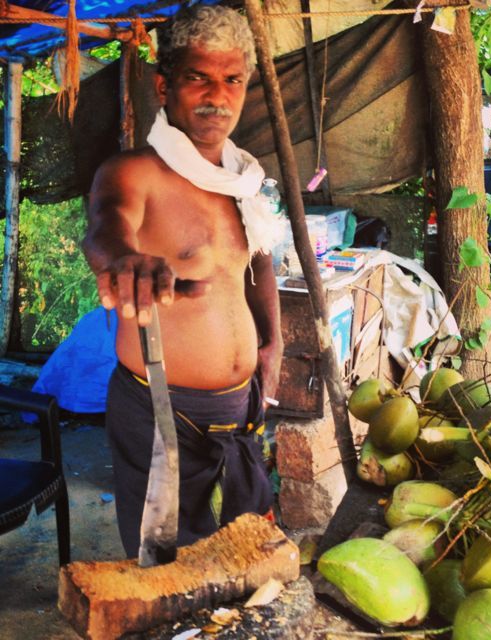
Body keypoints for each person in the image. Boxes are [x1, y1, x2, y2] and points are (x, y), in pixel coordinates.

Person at [82, 4, 283, 558]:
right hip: (162, 410)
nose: (218, 96)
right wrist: (123, 259)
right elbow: (106, 227)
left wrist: (272, 340)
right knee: (167, 571)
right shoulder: (131, 174)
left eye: (232, 80)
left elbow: (259, 258)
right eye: (199, 78)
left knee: (245, 559)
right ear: (165, 85)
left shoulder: (243, 179)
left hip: (241, 409)